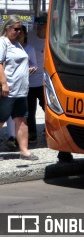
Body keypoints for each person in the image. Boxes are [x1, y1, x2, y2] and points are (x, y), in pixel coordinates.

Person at [0, 15, 39, 161]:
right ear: (7, 28)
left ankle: (24, 151)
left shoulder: (17, 44)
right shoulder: (3, 42)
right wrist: (4, 84)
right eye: (16, 29)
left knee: (21, 120)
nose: (19, 32)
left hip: (21, 90)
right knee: (1, 119)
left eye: (21, 29)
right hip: (8, 90)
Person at [27, 16, 46, 143]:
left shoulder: (52, 37)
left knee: (48, 108)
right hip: (29, 81)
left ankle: (48, 129)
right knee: (29, 110)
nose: (38, 27)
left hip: (44, 81)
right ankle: (32, 133)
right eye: (37, 25)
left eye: (41, 25)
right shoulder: (29, 36)